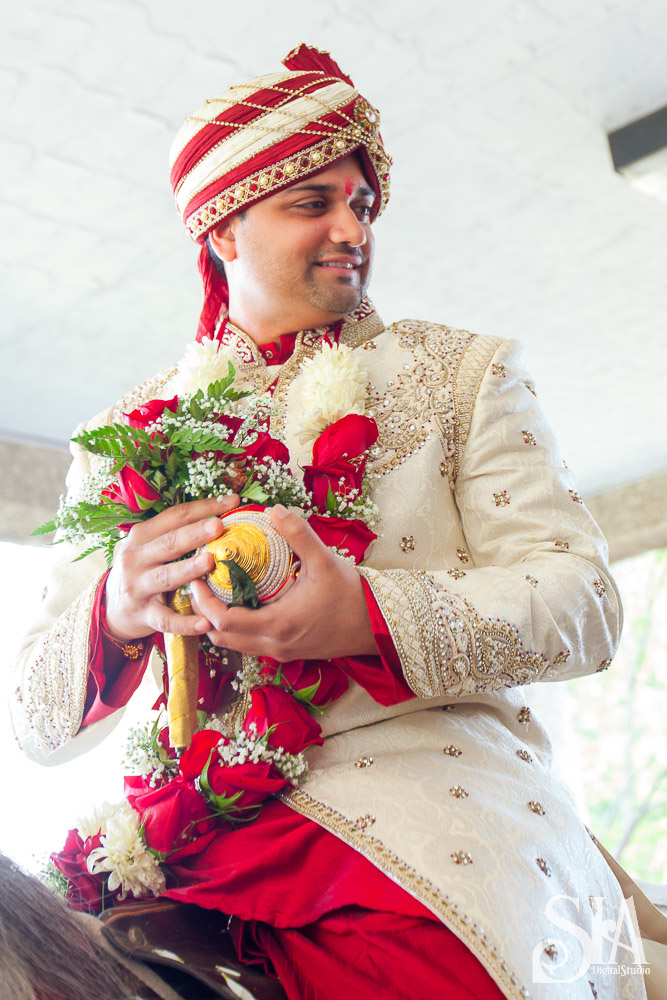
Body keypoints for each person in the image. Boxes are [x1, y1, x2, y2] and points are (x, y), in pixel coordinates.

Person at [10, 44, 646, 1000]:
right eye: (312, 203)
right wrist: (117, 609)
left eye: (361, 203)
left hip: (426, 820)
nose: (352, 227)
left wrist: (361, 610)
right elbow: (32, 717)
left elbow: (583, 603)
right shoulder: (125, 439)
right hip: (183, 833)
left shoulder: (463, 375)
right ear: (222, 229)